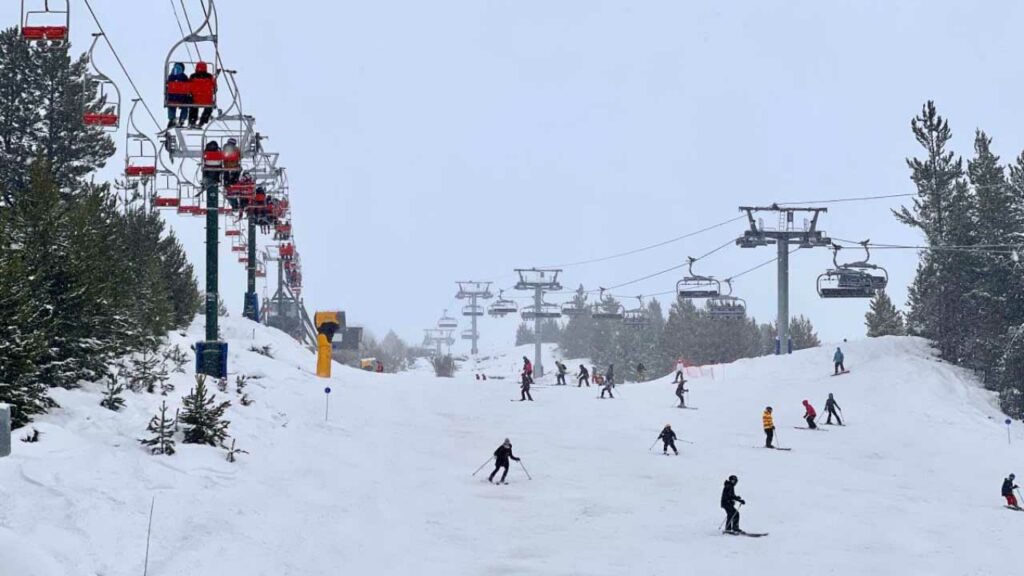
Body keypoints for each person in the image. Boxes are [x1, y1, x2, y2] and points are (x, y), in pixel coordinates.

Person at [188, 62, 215, 127]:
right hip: (207, 100)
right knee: (209, 107)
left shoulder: (193, 76)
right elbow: (214, 88)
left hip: (195, 100)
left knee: (193, 106)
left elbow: (188, 88)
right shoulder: (210, 77)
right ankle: (203, 120)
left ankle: (192, 120)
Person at [165, 62, 190, 128]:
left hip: (172, 98)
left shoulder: (171, 76)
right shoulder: (184, 77)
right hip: (182, 98)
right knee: (185, 106)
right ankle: (182, 119)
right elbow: (188, 87)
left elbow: (167, 86)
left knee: (171, 106)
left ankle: (172, 119)